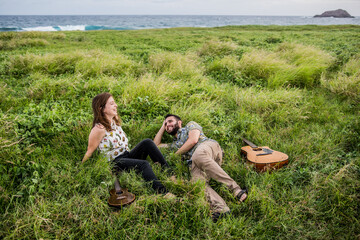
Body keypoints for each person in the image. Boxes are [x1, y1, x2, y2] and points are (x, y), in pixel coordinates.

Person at [154, 114, 248, 222]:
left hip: (207, 148)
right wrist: (162, 125)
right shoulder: (174, 144)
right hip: (195, 162)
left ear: (179, 122)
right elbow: (156, 145)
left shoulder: (190, 125)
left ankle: (236, 190)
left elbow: (193, 140)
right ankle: (222, 209)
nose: (167, 125)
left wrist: (176, 154)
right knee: (197, 184)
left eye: (170, 121)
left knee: (197, 155)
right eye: (166, 124)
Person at [82, 92, 172, 196]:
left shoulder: (114, 122)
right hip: (115, 164)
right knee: (144, 164)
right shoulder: (99, 129)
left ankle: (170, 175)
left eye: (114, 103)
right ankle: (163, 193)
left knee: (147, 142)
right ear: (101, 108)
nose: (116, 105)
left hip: (126, 156)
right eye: (111, 103)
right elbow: (89, 151)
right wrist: (82, 170)